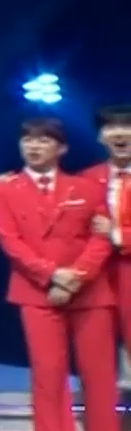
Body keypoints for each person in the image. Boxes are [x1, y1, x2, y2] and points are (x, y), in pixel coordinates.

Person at [0, 117, 121, 431]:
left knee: (100, 379)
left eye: (44, 140)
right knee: (48, 376)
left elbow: (100, 238)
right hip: (36, 292)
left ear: (61, 148)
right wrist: (52, 275)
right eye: (28, 140)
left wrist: (76, 276)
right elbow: (9, 240)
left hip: (90, 293)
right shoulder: (3, 187)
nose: (34, 146)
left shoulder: (87, 187)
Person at [76, 105, 131, 374]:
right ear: (100, 137)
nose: (120, 134)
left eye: (127, 126)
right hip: (97, 277)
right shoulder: (85, 179)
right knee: (96, 355)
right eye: (111, 127)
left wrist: (116, 234)